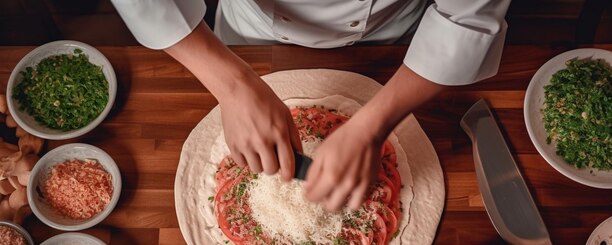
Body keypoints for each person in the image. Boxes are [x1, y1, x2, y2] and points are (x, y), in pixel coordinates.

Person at [112, 0, 511, 211]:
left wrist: (373, 125)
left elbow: (468, 18)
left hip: (394, 39)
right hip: (246, 35)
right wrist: (231, 84)